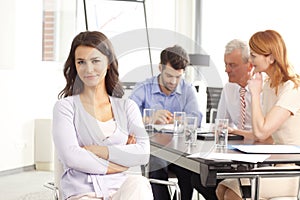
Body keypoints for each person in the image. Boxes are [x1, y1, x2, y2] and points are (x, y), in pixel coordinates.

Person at [52, 31, 153, 200]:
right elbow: (71, 157)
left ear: (108, 62)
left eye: (95, 61)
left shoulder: (127, 107)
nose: (88, 69)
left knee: (140, 183)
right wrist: (120, 162)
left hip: (120, 190)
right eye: (81, 62)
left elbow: (142, 153)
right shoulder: (65, 107)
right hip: (82, 193)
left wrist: (95, 150)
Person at [216, 30, 300, 200]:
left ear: (271, 57)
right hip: (274, 164)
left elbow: (261, 132)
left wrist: (254, 93)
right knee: (221, 188)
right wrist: (235, 132)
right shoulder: (269, 85)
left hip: (293, 169)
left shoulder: (292, 88)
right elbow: (261, 133)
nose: (251, 60)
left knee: (233, 193)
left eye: (254, 55)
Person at [129, 45, 203, 200]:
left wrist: (174, 118)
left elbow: (196, 118)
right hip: (153, 150)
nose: (174, 81)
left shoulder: (187, 89)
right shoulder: (144, 88)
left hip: (179, 151)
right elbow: (126, 118)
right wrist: (150, 118)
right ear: (160, 68)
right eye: (169, 76)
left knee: (190, 168)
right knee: (157, 163)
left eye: (178, 76)